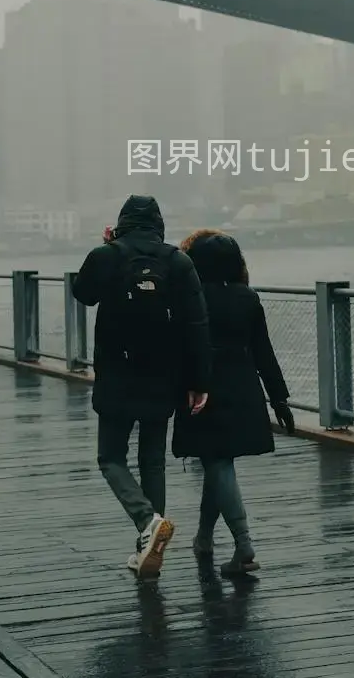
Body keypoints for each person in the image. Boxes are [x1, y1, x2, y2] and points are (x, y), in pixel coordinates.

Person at [72, 195, 211, 579]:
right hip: (162, 373)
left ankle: (147, 523)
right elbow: (197, 324)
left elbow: (83, 294)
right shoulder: (177, 261)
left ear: (122, 222)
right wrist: (199, 381)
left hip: (118, 369)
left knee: (110, 457)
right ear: (158, 223)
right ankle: (150, 544)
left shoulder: (108, 255)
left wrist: (106, 246)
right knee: (152, 459)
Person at [171, 229, 294, 575]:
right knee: (218, 462)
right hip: (244, 390)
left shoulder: (189, 298)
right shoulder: (247, 298)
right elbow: (263, 352)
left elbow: (177, 349)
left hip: (203, 389)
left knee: (217, 462)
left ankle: (244, 545)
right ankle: (204, 539)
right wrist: (279, 399)